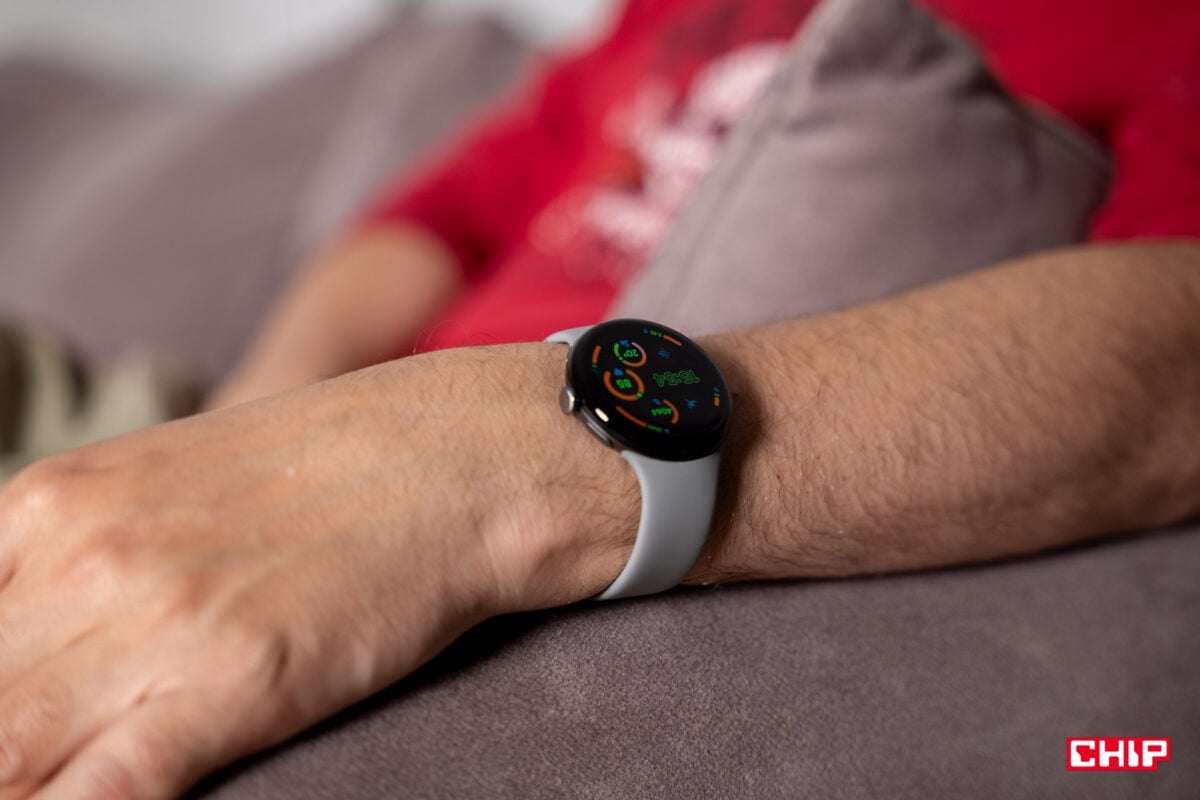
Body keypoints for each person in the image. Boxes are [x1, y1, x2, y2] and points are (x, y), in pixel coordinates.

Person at [0, 0, 1198, 797]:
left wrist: (480, 467)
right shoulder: (674, 10)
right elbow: (447, 212)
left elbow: (1177, 340)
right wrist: (241, 435)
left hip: (451, 500)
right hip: (240, 437)